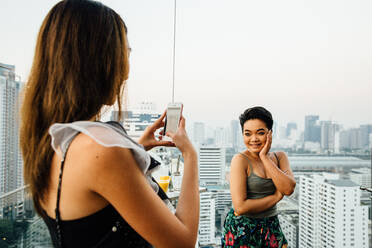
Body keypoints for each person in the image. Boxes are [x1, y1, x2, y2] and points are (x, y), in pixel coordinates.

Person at [19, 1, 199, 247]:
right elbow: (183, 242)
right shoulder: (101, 151)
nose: (125, 72)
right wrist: (190, 155)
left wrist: (136, 147)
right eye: (123, 54)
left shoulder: (51, 140)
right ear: (95, 61)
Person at [222, 107, 296, 248]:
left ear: (270, 133)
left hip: (271, 225)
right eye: (247, 134)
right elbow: (240, 206)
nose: (253, 139)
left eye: (260, 133)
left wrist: (264, 157)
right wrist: (275, 197)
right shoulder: (240, 160)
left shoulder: (279, 157)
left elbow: (288, 188)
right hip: (242, 228)